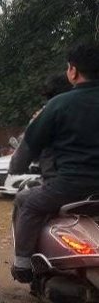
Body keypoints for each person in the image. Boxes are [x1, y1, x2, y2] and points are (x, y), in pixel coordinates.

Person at [9, 42, 99, 282]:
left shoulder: (58, 105)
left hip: (69, 188)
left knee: (28, 202)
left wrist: (15, 168)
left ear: (73, 71)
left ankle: (23, 266)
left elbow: (28, 147)